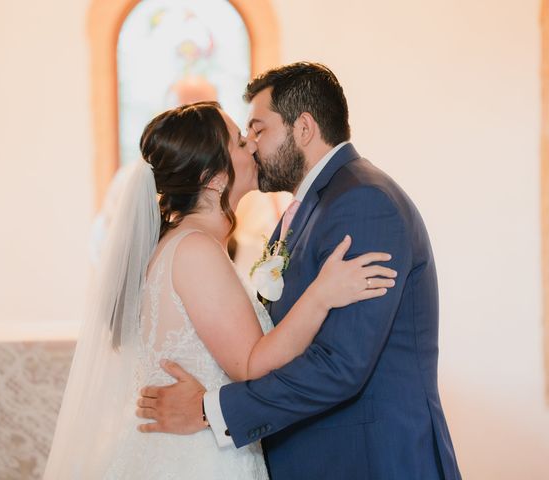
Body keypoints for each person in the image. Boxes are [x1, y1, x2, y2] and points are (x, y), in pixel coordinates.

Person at [137, 63, 462, 480]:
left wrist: (209, 410)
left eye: (258, 130)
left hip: (372, 460)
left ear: (303, 128)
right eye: (244, 137)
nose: (252, 146)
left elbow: (340, 364)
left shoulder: (362, 202)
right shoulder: (309, 209)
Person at [43, 100, 396, 479]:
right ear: (214, 178)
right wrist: (322, 295)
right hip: (196, 459)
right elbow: (249, 365)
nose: (253, 146)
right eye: (240, 143)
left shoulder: (188, 244)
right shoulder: (194, 249)